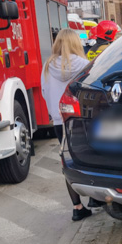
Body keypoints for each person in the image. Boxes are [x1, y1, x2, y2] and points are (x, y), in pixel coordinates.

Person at [41, 28, 92, 222]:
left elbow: (45, 92)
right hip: (81, 118)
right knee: (89, 156)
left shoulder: (47, 65)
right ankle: (96, 198)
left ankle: (77, 207)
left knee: (68, 159)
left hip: (59, 119)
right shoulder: (84, 64)